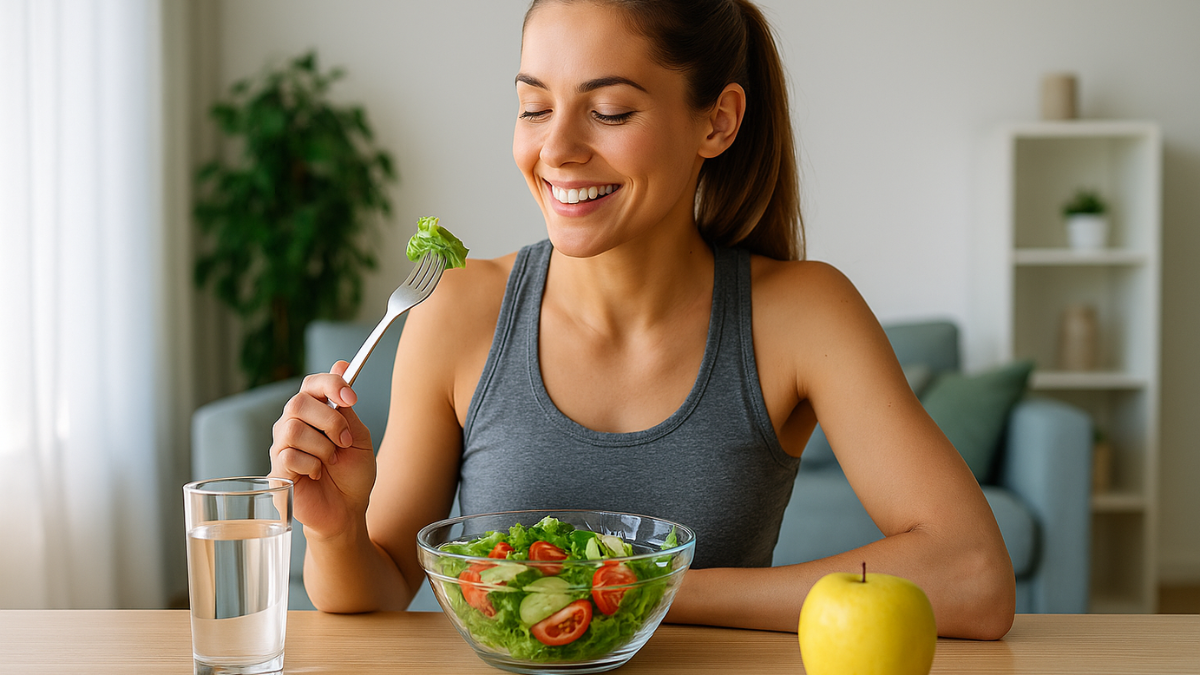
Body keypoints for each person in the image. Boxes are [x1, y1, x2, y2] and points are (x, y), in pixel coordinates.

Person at [270, 0, 1015, 639]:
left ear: (717, 121)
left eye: (610, 111)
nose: (556, 149)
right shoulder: (458, 308)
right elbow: (379, 585)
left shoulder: (803, 314)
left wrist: (639, 588)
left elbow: (973, 576)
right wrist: (336, 524)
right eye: (533, 106)